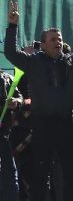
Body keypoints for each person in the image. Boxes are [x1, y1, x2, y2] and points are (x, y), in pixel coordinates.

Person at [4, 0, 73, 200]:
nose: (57, 42)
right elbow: (11, 52)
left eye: (59, 39)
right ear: (43, 44)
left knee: (71, 172)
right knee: (41, 174)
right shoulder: (33, 62)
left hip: (67, 123)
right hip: (42, 124)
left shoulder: (71, 60)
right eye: (52, 40)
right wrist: (13, 25)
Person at [0, 69, 23, 201]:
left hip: (4, 135)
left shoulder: (8, 78)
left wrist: (16, 102)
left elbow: (19, 97)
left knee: (10, 175)